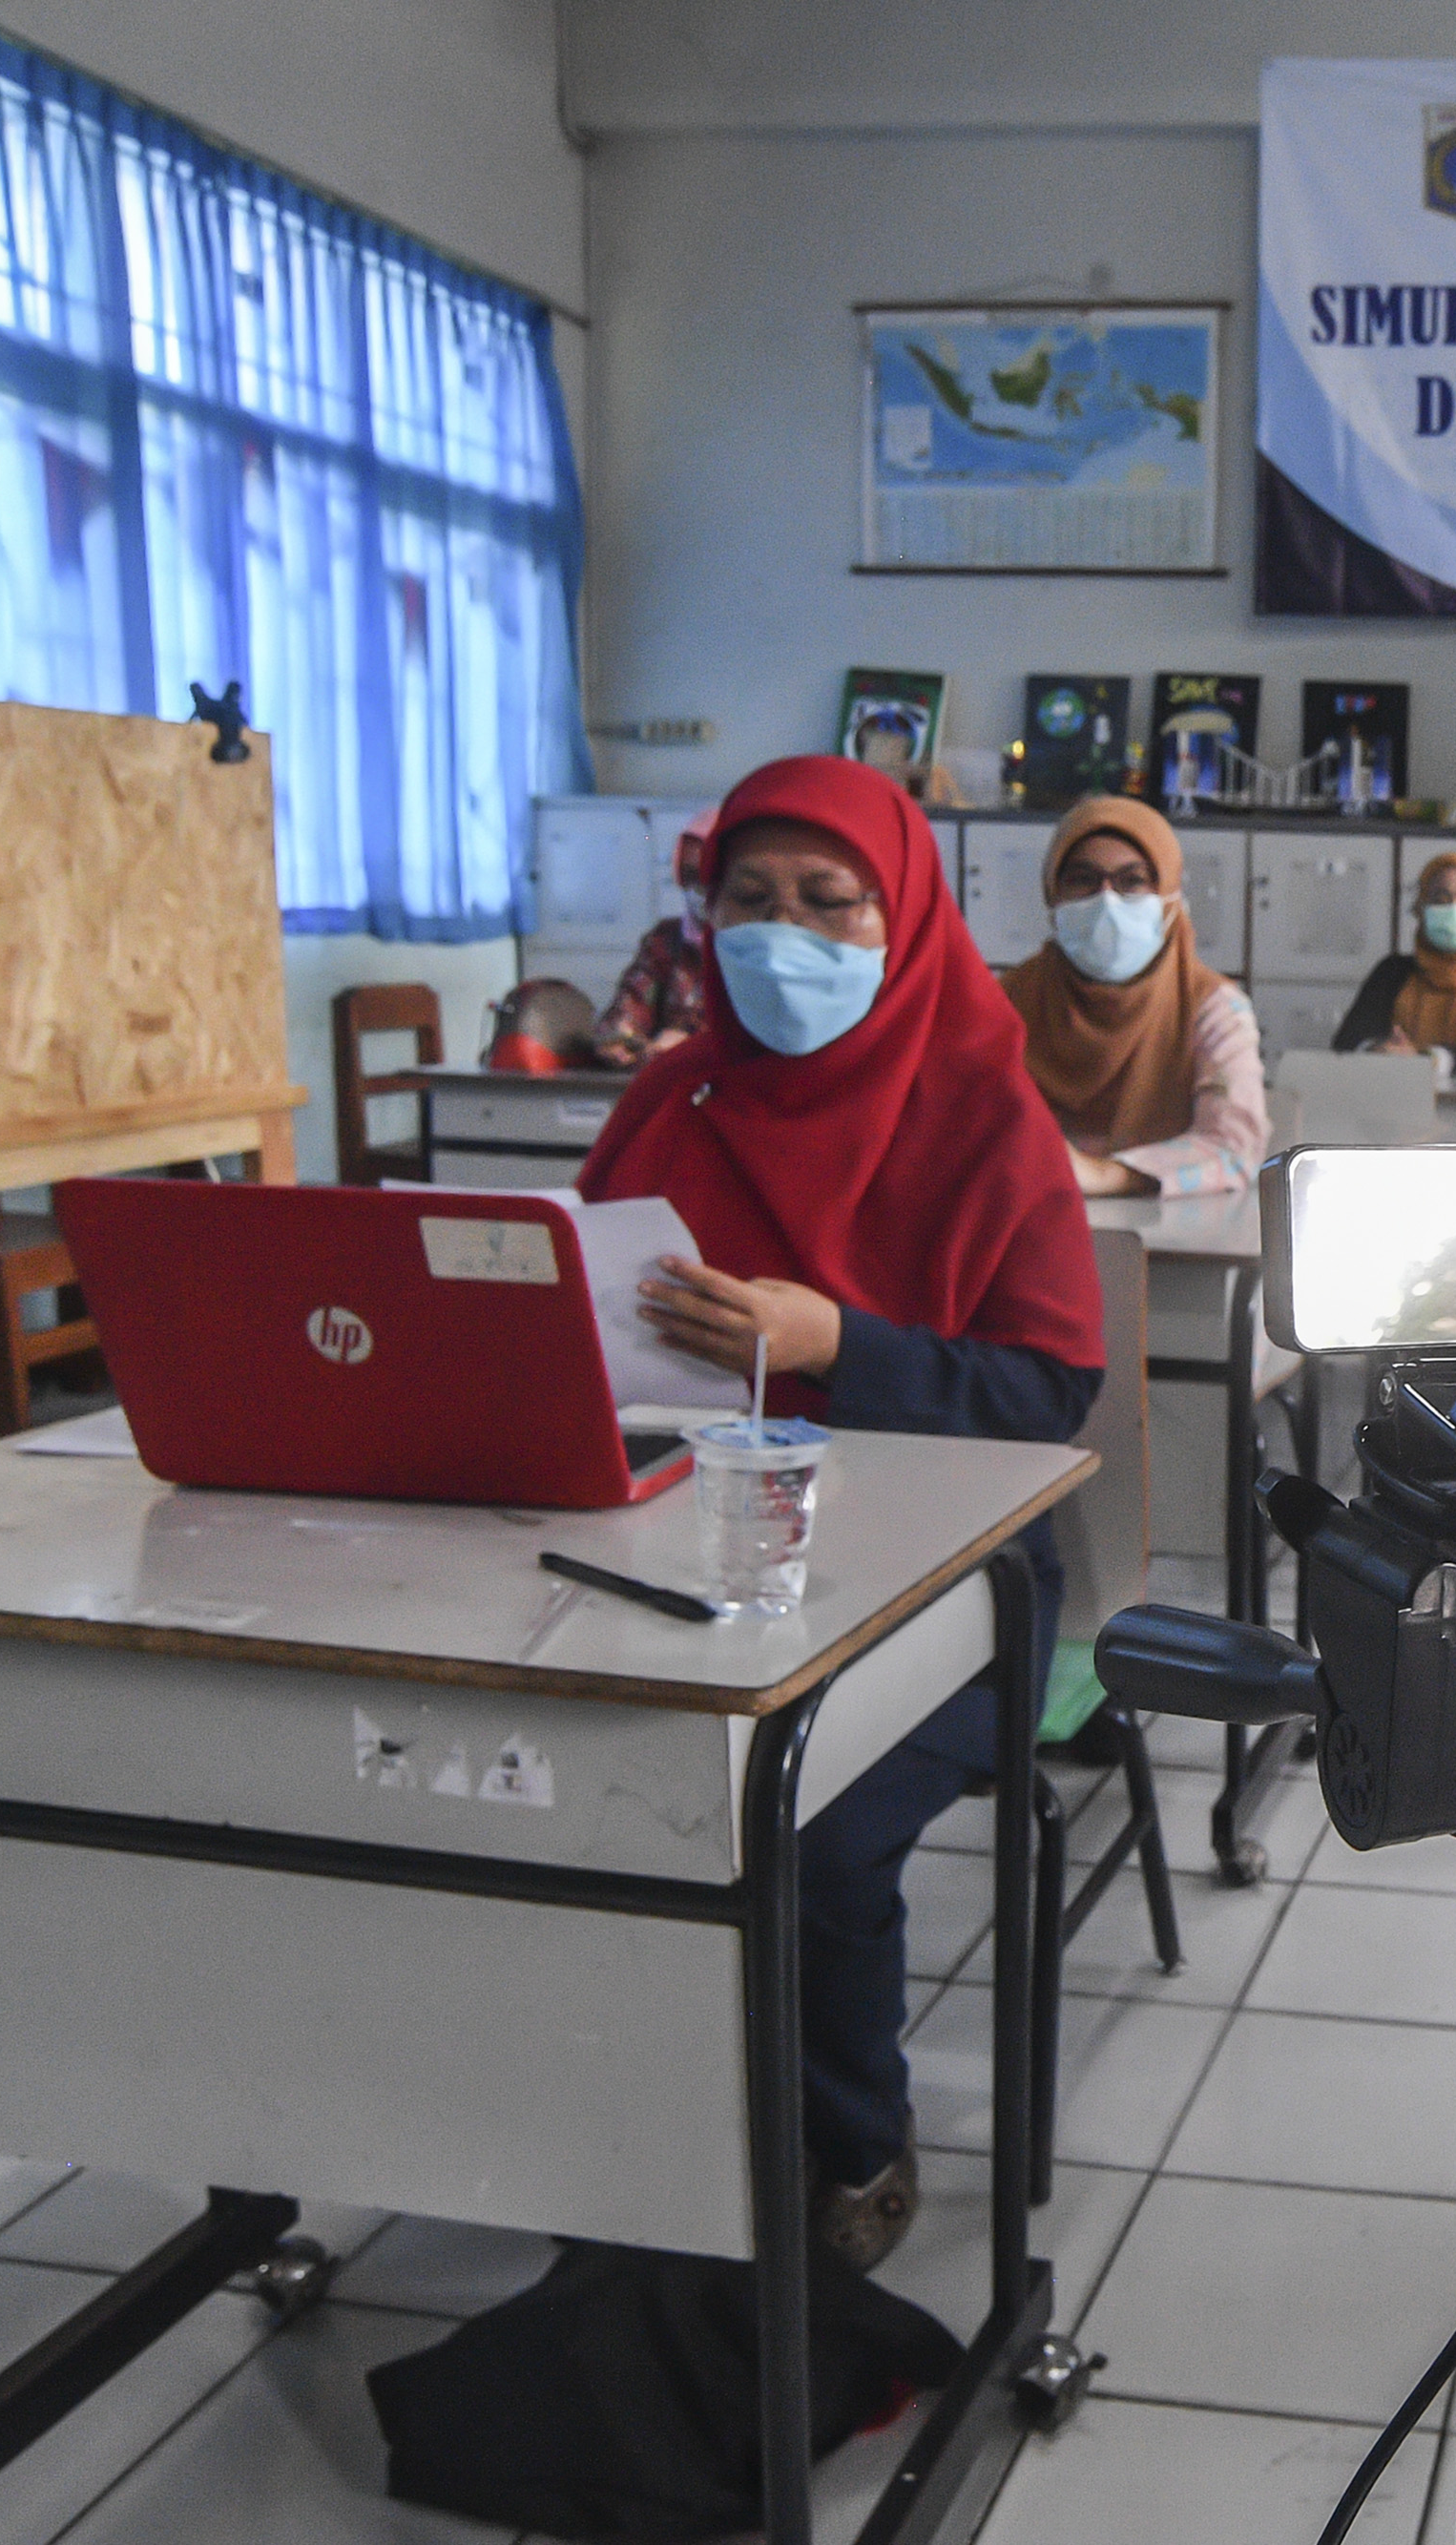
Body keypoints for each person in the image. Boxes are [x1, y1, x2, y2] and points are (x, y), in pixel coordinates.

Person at [577, 755, 1107, 2275]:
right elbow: (574, 1314)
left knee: (799, 1819)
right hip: (681, 1548)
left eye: (830, 902)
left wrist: (835, 1343)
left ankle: (848, 2141)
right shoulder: (671, 1096)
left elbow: (1048, 1393)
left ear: (904, 916)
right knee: (558, 1782)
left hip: (941, 1588)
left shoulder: (983, 1111)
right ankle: (622, 2119)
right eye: (750, 899)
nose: (783, 934)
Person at [1005, 796, 1270, 1198]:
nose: (1106, 899)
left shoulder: (1213, 1008)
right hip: (1031, 1215)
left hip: (1176, 1226)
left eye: (1132, 881)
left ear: (1169, 897)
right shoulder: (1007, 1002)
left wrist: (1105, 1175)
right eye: (1083, 879)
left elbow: (1233, 1147)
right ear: (1053, 895)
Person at [1333, 849, 1456, 1074]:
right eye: (1441, 899)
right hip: (1398, 1094)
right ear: (1421, 907)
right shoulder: (1393, 971)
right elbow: (1347, 1041)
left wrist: (1425, 1059)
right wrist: (1379, 1049)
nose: (1455, 909)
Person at [586, 807, 718, 1067]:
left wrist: (692, 1045)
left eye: (710, 878)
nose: (698, 891)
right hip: (672, 1077)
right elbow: (630, 1005)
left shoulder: (761, 948)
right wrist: (621, 1039)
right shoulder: (667, 940)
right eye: (690, 876)